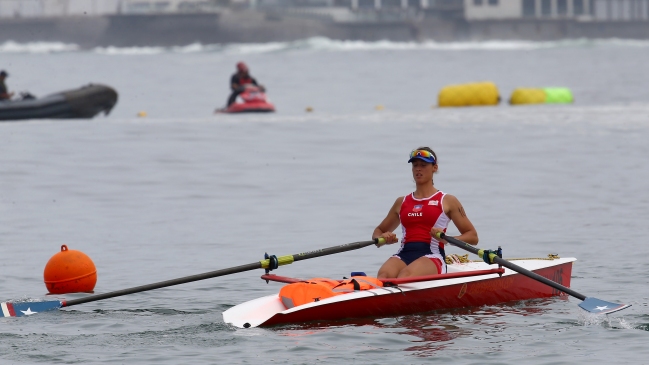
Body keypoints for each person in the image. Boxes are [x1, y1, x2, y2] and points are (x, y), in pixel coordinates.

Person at [372, 147, 479, 279]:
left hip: (432, 256)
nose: (418, 169)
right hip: (404, 254)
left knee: (405, 275)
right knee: (383, 276)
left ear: (435, 168)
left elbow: (473, 236)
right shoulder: (402, 202)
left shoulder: (447, 201)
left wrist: (447, 239)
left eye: (423, 165)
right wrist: (382, 239)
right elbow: (379, 231)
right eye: (415, 165)